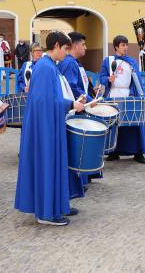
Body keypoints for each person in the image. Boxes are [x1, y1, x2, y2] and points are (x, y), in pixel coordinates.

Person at [15, 31, 85, 226]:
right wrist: (71, 105)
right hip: (45, 127)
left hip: (50, 123)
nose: (66, 53)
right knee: (48, 164)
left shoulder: (48, 66)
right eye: (64, 49)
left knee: (53, 165)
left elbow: (51, 96)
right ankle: (46, 213)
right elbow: (45, 101)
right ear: (55, 46)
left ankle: (55, 206)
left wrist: (72, 102)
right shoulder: (45, 67)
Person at [99, 35, 145, 164]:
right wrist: (108, 80)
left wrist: (136, 95)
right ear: (116, 47)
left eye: (126, 45)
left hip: (128, 94)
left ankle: (137, 152)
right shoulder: (108, 60)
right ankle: (114, 151)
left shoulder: (132, 61)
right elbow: (101, 76)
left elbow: (137, 80)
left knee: (133, 124)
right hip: (113, 93)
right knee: (114, 124)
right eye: (123, 45)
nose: (125, 47)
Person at [58, 31, 101, 190]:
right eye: (83, 44)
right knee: (77, 149)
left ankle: (82, 180)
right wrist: (89, 101)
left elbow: (79, 85)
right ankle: (76, 183)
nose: (86, 47)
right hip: (75, 109)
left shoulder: (74, 62)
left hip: (79, 106)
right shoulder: (70, 63)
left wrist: (91, 92)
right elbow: (72, 87)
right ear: (74, 46)